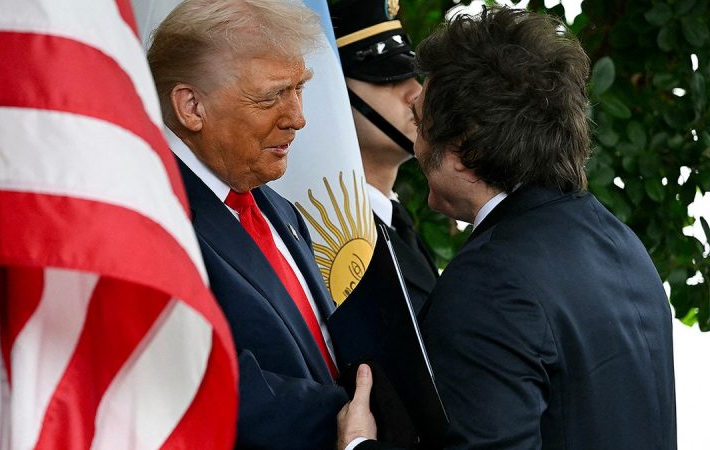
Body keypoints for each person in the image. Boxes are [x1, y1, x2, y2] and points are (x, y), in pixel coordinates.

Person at [338, 7, 677, 450]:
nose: (417, 146)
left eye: (422, 126)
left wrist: (359, 445)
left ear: (465, 151)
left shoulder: (489, 283)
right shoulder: (620, 242)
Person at [147, 1, 348, 448]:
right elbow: (197, 381)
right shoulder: (154, 218)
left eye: (299, 89)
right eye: (271, 96)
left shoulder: (279, 210)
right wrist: (355, 421)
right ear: (191, 106)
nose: (297, 118)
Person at [331, 0, 437, 314]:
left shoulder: (397, 223)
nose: (416, 92)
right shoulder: (333, 234)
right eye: (388, 78)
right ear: (335, 94)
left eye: (412, 75)